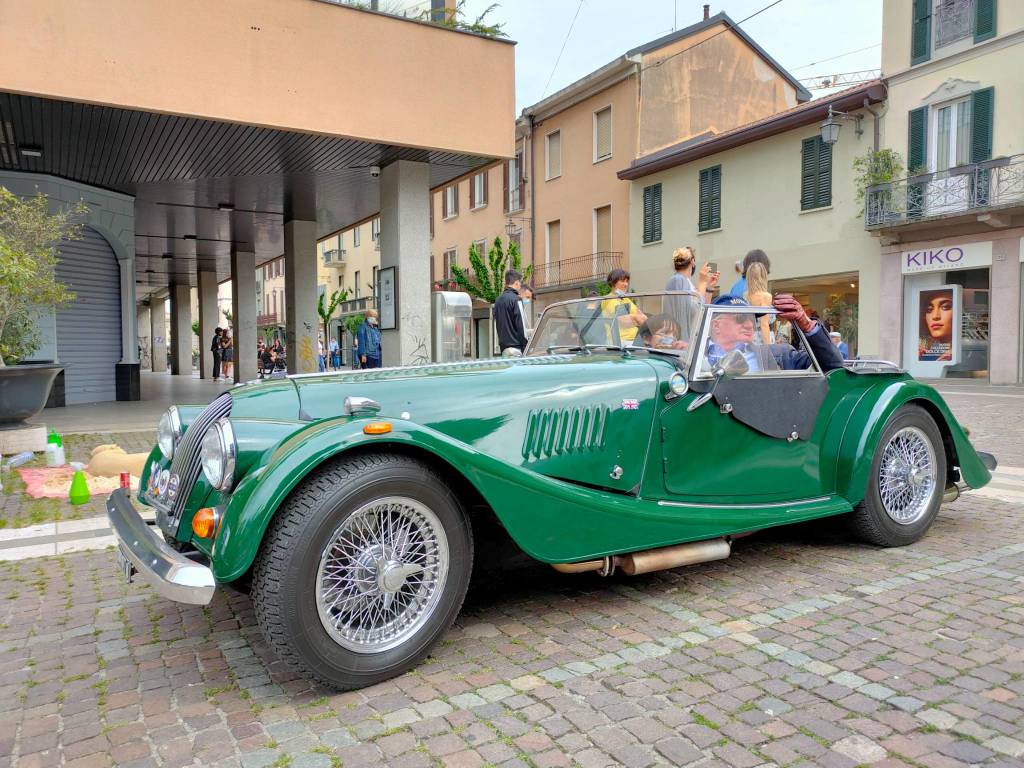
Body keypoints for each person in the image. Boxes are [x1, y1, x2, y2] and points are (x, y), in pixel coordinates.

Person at [702, 294, 845, 374]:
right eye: (740, 318)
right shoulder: (689, 359)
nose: (749, 324)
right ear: (716, 325)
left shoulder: (779, 355)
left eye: (752, 318)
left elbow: (833, 366)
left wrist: (806, 324)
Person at [601, 268, 647, 344]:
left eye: (627, 281)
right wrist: (635, 318)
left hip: (634, 340)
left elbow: (644, 319)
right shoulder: (608, 299)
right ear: (613, 282)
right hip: (619, 342)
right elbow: (624, 322)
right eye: (622, 281)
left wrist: (633, 318)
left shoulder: (625, 299)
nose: (626, 284)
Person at [494, 270, 528, 355]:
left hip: (504, 350)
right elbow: (521, 327)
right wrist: (527, 346)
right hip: (517, 349)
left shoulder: (498, 301)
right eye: (520, 283)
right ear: (516, 283)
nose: (520, 286)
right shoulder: (517, 300)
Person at [918, 289, 954, 362]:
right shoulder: (922, 351)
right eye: (929, 310)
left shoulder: (964, 350)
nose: (935, 316)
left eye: (946, 307)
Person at [743, 262, 774, 343]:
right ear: (763, 276)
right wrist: (768, 349)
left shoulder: (745, 296)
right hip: (762, 339)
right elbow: (764, 324)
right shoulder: (766, 296)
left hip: (749, 337)